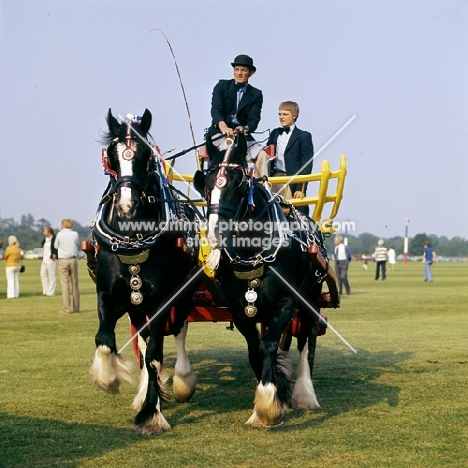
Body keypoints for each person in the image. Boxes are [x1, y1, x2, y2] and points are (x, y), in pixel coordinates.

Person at [207, 54, 270, 177]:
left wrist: (244, 129)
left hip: (242, 137)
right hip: (220, 134)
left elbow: (254, 120)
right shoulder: (221, 86)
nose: (239, 73)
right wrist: (223, 127)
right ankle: (218, 185)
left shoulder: (256, 94)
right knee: (227, 152)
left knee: (263, 156)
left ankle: (259, 190)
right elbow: (216, 109)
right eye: (236, 69)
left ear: (250, 73)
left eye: (243, 70)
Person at [266, 101, 314, 215]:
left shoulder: (304, 136)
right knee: (268, 210)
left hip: (290, 180)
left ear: (294, 115)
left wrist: (300, 188)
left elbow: (306, 164)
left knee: (289, 211)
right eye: (279, 114)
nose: (281, 117)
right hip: (272, 179)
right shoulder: (274, 133)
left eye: (285, 114)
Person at [55, 219, 80, 313]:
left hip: (63, 259)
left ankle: (66, 307)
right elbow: (77, 243)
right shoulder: (75, 234)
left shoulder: (60, 234)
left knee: (64, 284)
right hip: (73, 259)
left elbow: (56, 246)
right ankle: (76, 307)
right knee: (75, 284)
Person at [40, 227, 58, 296]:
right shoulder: (45, 239)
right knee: (42, 274)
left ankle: (51, 292)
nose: (44, 233)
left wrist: (55, 254)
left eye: (45, 231)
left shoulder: (54, 238)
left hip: (51, 259)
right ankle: (45, 290)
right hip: (45, 259)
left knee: (51, 275)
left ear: (49, 232)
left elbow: (56, 247)